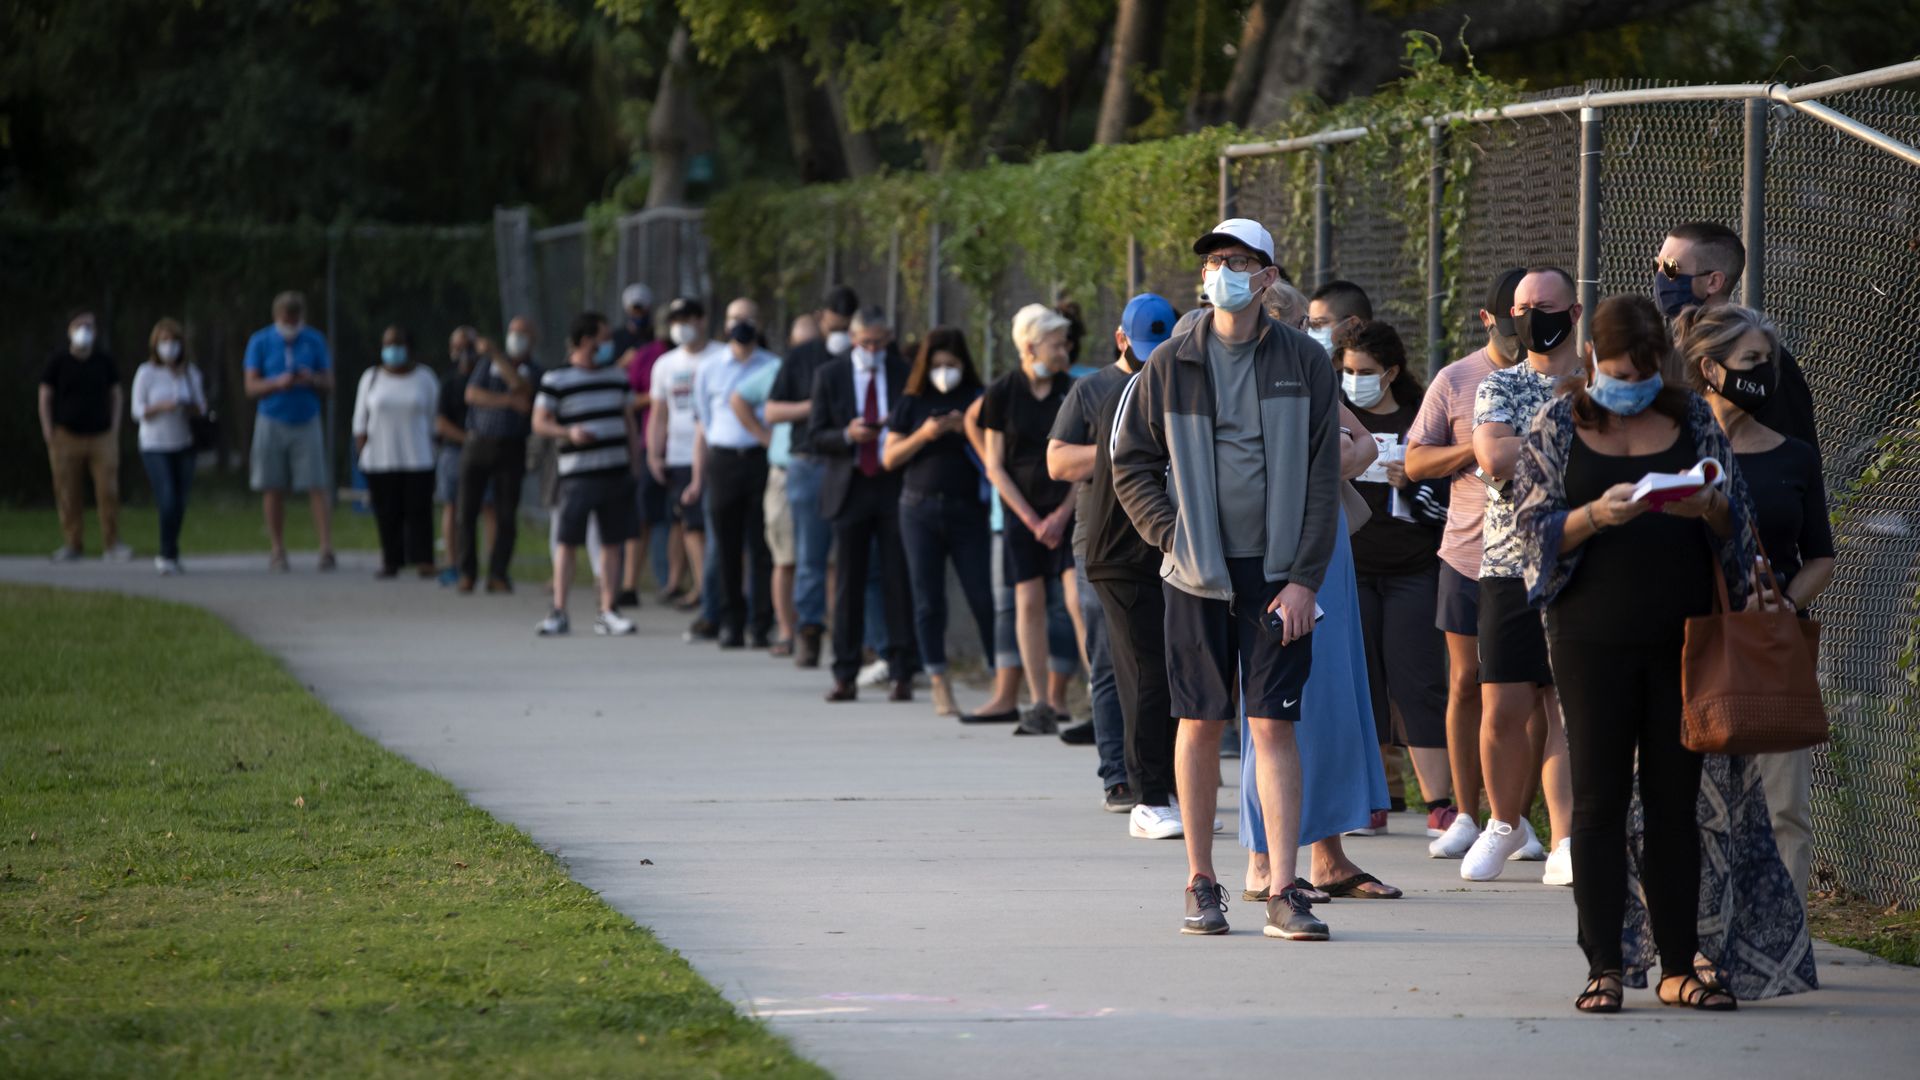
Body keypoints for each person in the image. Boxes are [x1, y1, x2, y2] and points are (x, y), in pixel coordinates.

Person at [1514, 293, 1814, 1013]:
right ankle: (1605, 966)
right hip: (1590, 638)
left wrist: (1705, 505)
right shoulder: (1559, 422)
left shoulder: (1688, 420)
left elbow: (1735, 520)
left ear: (1665, 366)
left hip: (1685, 641)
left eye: (1645, 372)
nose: (1631, 384)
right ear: (1593, 362)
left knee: (1675, 805)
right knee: (1597, 803)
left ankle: (1680, 964)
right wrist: (1594, 515)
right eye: (1618, 371)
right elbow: (1527, 532)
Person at [1113, 217, 1341, 942]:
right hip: (1195, 573)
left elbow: (1321, 479)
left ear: (1268, 277)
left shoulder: (1305, 360)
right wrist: (1169, 535)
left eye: (1238, 261)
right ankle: (1200, 881)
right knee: (1201, 721)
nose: (1222, 273)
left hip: (1277, 577)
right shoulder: (1171, 361)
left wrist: (1305, 580)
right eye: (1214, 261)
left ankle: (1281, 888)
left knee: (1274, 723)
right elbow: (1130, 462)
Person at [1679, 303, 1834, 901]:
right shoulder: (1675, 450)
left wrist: (1786, 606)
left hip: (1771, 645)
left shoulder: (1794, 455)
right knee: (1691, 802)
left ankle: (1781, 936)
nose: (1765, 373)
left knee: (1783, 806)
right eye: (1751, 361)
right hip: (1692, 640)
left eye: (1768, 361)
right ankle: (1696, 933)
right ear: (1710, 368)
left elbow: (1820, 555)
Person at [1237, 392, 1399, 903]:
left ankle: (1328, 857)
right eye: (1300, 327)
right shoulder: (1237, 374)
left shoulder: (1309, 376)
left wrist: (1312, 462)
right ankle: (1261, 859)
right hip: (1270, 546)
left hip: (1326, 545)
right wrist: (1319, 460)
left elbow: (1366, 448)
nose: (1310, 340)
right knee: (1273, 702)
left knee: (1331, 694)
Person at [1463, 266, 1580, 883]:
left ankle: (1565, 839)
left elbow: (1515, 454)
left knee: (1565, 704)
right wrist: (1570, 434)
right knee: (1502, 705)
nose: (1532, 315)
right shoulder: (1499, 384)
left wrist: (1528, 444)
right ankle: (1504, 823)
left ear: (1575, 312)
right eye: (1522, 307)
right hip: (1508, 563)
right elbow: (1492, 456)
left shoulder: (1598, 381)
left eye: (1545, 304)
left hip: (1580, 563)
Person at [1406, 267, 1526, 856]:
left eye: (1527, 326)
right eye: (1508, 328)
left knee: (1527, 689)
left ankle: (1520, 818)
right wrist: (1478, 447)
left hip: (1531, 556)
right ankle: (1464, 813)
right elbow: (1414, 461)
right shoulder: (1457, 379)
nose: (1518, 339)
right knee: (1465, 680)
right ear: (1487, 320)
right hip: (1466, 553)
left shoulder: (1558, 377)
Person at [1054, 293, 1184, 829]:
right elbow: (1060, 461)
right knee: (1129, 669)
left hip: (1156, 552)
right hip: (1115, 551)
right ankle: (1133, 786)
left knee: (1160, 671)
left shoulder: (1167, 385)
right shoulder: (1106, 392)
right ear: (1121, 339)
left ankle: (1164, 788)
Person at [1333, 320, 1453, 831]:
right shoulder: (1338, 417)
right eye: (1347, 370)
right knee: (1364, 680)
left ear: (1392, 372)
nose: (1354, 379)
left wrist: (1418, 475)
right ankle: (1371, 797)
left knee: (1418, 680)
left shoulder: (1418, 420)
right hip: (1352, 568)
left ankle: (1440, 804)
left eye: (1365, 371)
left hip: (1412, 569)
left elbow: (1449, 499)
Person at [980, 303, 1084, 736]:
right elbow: (995, 465)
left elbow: (1085, 461)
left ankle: (1103, 697)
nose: (1063, 351)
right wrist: (1028, 517)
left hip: (1067, 513)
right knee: (1027, 602)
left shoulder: (1074, 390)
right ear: (1030, 346)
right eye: (1056, 344)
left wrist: (1062, 513)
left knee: (1079, 602)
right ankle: (1040, 702)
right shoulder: (1002, 392)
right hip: (1022, 517)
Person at [884, 326, 995, 718]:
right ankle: (937, 679)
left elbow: (994, 453)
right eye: (938, 365)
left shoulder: (976, 399)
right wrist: (926, 433)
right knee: (928, 601)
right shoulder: (911, 401)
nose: (944, 372)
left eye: (952, 365)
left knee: (982, 595)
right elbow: (889, 457)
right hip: (918, 508)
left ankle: (998, 674)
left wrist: (964, 429)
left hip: (968, 509)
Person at [809, 306, 917, 703]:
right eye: (866, 343)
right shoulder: (830, 375)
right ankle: (845, 672)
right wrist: (847, 434)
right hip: (850, 484)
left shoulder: (903, 372)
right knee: (848, 585)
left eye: (880, 343)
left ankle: (903, 669)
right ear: (853, 340)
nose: (874, 350)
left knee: (897, 579)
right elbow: (814, 434)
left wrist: (894, 428)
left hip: (892, 483)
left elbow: (916, 419)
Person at [1654, 222, 1818, 455]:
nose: (1661, 278)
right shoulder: (1658, 352)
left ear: (1713, 282)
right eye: (1657, 266)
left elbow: (1795, 458)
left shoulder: (1765, 359)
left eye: (1670, 268)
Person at [767, 285, 861, 668]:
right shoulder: (802, 357)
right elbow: (772, 411)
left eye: (846, 327)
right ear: (822, 318)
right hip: (809, 463)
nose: (839, 333)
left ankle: (858, 637)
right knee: (810, 555)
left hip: (852, 465)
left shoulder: (864, 356)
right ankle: (808, 631)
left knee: (853, 557)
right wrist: (814, 406)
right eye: (834, 325)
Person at [531, 313, 640, 636]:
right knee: (567, 541)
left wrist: (636, 463)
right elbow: (540, 422)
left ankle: (608, 610)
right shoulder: (557, 379)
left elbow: (629, 422)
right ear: (584, 340)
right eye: (603, 338)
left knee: (612, 542)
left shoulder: (617, 376)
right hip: (577, 474)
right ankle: (559, 610)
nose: (609, 344)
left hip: (615, 471)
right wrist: (568, 432)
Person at [696, 299, 780, 649]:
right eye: (734, 319)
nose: (741, 325)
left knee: (761, 545)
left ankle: (761, 624)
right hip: (724, 460)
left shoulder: (774, 366)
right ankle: (730, 620)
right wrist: (698, 475)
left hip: (761, 459)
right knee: (726, 546)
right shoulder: (710, 367)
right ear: (725, 324)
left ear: (759, 324)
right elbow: (704, 419)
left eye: (748, 318)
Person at [648, 299, 726, 637]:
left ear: (703, 320)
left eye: (687, 318)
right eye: (675, 319)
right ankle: (702, 586)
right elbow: (659, 412)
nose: (681, 325)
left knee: (721, 525)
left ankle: (723, 589)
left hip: (718, 451)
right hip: (680, 453)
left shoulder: (721, 355)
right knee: (691, 525)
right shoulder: (665, 364)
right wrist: (655, 452)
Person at [244, 291, 335, 572]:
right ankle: (277, 548)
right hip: (271, 418)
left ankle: (325, 548)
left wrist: (312, 379)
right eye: (286, 319)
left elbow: (329, 382)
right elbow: (250, 386)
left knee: (317, 485)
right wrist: (275, 383)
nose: (291, 324)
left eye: (295, 319)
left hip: (306, 418)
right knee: (272, 485)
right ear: (276, 317)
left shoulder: (314, 340)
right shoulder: (260, 341)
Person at [40, 309, 129, 562]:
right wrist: (47, 428)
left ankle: (112, 544)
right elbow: (45, 395)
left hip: (102, 435)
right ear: (69, 329)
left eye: (90, 325)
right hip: (66, 435)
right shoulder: (58, 361)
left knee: (108, 489)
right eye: (80, 325)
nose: (85, 330)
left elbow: (116, 394)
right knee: (68, 491)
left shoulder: (104, 360)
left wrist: (114, 426)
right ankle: (72, 543)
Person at [351, 326, 439, 579]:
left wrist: (435, 448)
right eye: (388, 344)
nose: (393, 349)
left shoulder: (424, 378)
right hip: (380, 457)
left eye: (398, 344)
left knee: (419, 511)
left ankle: (423, 559)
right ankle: (391, 559)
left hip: (418, 456)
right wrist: (362, 453)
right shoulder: (371, 378)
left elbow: (434, 417)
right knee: (387, 512)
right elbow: (360, 421)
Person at [459, 317, 540, 594]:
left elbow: (523, 390)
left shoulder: (534, 369)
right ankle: (466, 572)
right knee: (466, 512)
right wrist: (506, 400)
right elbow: (472, 394)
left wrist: (495, 354)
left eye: (522, 334)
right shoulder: (486, 365)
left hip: (511, 447)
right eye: (513, 332)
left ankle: (497, 573)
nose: (515, 338)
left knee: (506, 514)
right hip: (478, 443)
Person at [129, 318, 206, 574]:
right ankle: (165, 553)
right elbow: (137, 409)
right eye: (164, 341)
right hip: (154, 444)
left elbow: (202, 408)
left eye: (173, 341)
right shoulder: (146, 373)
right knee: (168, 499)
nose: (169, 347)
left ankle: (172, 551)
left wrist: (187, 404)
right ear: (156, 344)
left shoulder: (190, 373)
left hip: (184, 442)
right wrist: (161, 406)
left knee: (180, 501)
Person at [615, 284, 668, 609]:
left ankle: (671, 582)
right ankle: (629, 583)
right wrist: (657, 396)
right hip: (651, 441)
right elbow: (629, 399)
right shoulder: (642, 354)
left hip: (685, 446)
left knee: (678, 522)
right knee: (643, 516)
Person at [434, 327, 482, 585]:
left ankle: (489, 567)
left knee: (488, 506)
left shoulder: (486, 376)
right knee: (452, 506)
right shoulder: (449, 381)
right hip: (455, 451)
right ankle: (453, 563)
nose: (465, 353)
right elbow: (440, 423)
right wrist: (468, 440)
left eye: (470, 346)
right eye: (460, 347)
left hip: (484, 452)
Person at [1305, 279, 1372, 355]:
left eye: (1320, 323)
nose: (1311, 332)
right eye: (1310, 325)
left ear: (1353, 324)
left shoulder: (1381, 363)